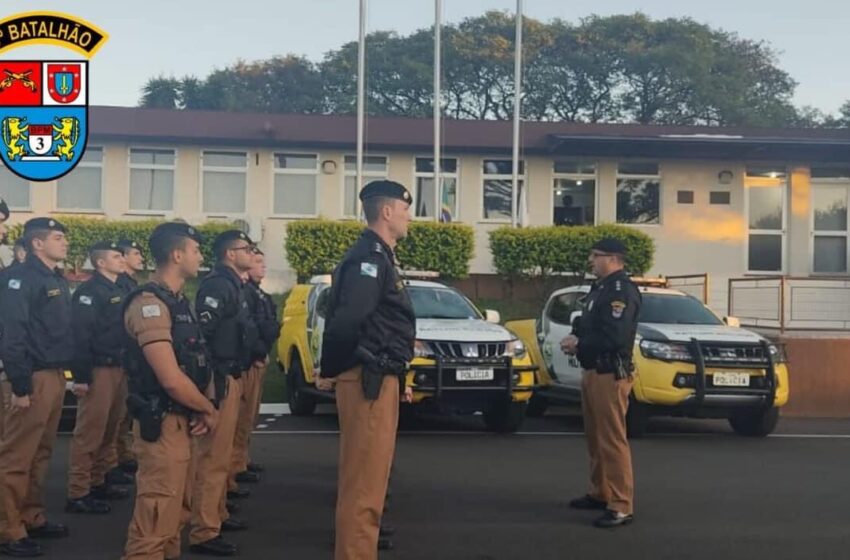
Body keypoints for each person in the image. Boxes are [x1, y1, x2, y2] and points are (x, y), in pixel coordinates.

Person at [318, 180, 416, 560]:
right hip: (368, 380)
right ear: (387, 212)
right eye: (405, 210)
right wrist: (334, 368)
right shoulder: (369, 260)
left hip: (378, 378)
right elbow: (346, 322)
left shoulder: (379, 257)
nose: (410, 217)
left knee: (369, 483)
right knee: (364, 486)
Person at [120, 222, 218, 560]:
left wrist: (202, 405)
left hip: (181, 420)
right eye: (195, 250)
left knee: (177, 516)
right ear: (177, 255)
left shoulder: (178, 301)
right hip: (161, 422)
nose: (200, 256)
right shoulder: (149, 303)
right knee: (156, 519)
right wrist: (208, 408)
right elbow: (170, 378)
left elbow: (195, 359)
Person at [0, 218, 73, 557]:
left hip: (55, 375)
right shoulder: (20, 278)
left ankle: (30, 515)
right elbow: (13, 336)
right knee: (16, 456)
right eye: (58, 238)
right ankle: (7, 529)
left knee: (41, 452)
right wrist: (20, 385)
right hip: (32, 377)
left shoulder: (54, 278)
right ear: (37, 244)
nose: (65, 243)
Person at [560, 238, 642, 528]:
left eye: (595, 256)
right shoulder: (601, 289)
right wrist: (576, 334)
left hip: (610, 373)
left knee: (611, 440)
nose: (591, 261)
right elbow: (589, 324)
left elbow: (615, 337)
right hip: (593, 370)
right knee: (596, 438)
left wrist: (580, 343)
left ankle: (621, 505)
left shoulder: (621, 291)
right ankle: (601, 492)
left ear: (612, 258)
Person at [188, 230, 259, 557]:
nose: (251, 253)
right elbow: (204, 335)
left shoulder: (234, 284)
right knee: (212, 458)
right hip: (219, 376)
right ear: (230, 254)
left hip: (232, 373)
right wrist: (210, 385)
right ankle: (204, 529)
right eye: (246, 249)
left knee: (221, 454)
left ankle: (215, 515)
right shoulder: (218, 285)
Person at [65, 242, 131, 515]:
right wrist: (80, 377)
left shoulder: (118, 288)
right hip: (98, 369)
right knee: (90, 432)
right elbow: (81, 336)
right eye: (116, 256)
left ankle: (99, 479)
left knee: (111, 428)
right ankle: (78, 491)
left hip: (119, 367)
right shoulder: (89, 292)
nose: (122, 260)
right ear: (101, 263)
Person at [227, 247, 279, 490]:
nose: (262, 266)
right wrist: (257, 352)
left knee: (249, 418)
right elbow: (249, 329)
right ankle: (234, 468)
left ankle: (241, 461)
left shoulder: (257, 293)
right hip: (248, 363)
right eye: (258, 261)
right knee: (239, 419)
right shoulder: (244, 292)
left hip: (257, 359)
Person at [107, 238, 147, 484]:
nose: (139, 257)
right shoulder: (117, 284)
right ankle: (112, 462)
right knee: (112, 419)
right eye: (134, 253)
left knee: (122, 414)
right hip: (111, 359)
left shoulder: (129, 284)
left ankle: (121, 456)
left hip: (127, 358)